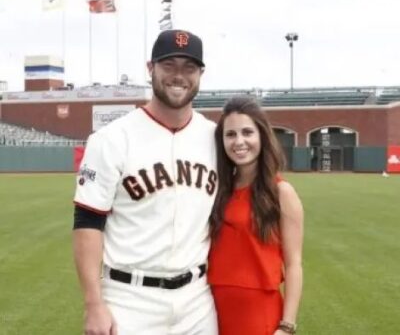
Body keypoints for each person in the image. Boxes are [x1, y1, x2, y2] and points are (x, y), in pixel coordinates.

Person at [72, 29, 218, 335]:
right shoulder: (111, 139)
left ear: (201, 74)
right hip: (129, 299)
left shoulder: (214, 137)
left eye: (189, 68)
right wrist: (93, 304)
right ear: (150, 68)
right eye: (169, 66)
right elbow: (87, 222)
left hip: (197, 301)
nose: (179, 76)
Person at [208, 97, 304, 335]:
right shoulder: (217, 190)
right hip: (211, 310)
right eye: (231, 135)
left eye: (247, 132)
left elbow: (294, 264)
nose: (239, 141)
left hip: (258, 313)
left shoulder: (282, 192)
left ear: (261, 136)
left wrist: (287, 326)